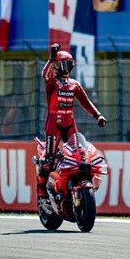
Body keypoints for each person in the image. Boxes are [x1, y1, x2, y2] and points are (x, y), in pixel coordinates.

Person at [36, 43, 107, 202]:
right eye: (62, 64)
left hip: (70, 125)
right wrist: (52, 58)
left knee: (79, 154)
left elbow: (86, 102)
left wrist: (98, 116)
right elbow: (45, 75)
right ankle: (42, 192)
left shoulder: (75, 85)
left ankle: (72, 183)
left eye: (68, 64)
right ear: (57, 65)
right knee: (48, 159)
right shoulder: (52, 83)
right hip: (54, 125)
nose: (66, 67)